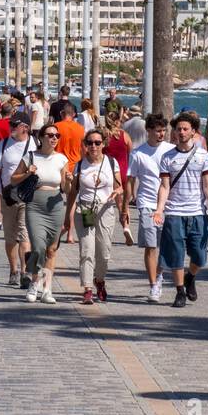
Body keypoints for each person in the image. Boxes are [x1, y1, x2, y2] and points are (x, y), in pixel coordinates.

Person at [153, 112, 208, 309]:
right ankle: (179, 291)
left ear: (193, 132)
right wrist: (159, 210)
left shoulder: (202, 155)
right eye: (178, 129)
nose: (182, 132)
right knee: (176, 254)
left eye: (185, 129)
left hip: (197, 213)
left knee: (199, 256)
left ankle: (190, 276)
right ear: (174, 132)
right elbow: (164, 186)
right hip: (175, 212)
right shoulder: (168, 157)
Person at [12, 123, 72, 304]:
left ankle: (47, 289)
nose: (54, 138)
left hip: (55, 205)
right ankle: (34, 283)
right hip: (35, 204)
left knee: (51, 250)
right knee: (38, 247)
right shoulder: (31, 156)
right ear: (41, 137)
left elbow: (65, 188)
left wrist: (69, 181)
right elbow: (13, 179)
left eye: (57, 136)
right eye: (50, 135)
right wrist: (26, 173)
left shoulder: (61, 159)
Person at [67, 128, 124, 305]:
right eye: (89, 142)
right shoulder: (79, 165)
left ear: (103, 144)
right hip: (85, 210)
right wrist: (66, 218)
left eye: (97, 143)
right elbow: (72, 193)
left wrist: (122, 207)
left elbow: (120, 187)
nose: (93, 146)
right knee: (86, 249)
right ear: (85, 144)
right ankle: (87, 289)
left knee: (104, 252)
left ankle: (99, 280)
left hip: (106, 209)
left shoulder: (111, 163)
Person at [127, 113, 172, 302]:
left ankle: (160, 274)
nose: (161, 134)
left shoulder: (171, 150)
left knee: (167, 247)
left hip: (169, 204)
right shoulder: (138, 153)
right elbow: (131, 179)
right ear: (149, 131)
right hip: (146, 204)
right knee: (151, 246)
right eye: (158, 131)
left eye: (163, 131)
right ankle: (153, 285)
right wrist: (130, 200)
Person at [0, 112, 34, 287]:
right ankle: (13, 269)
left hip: (28, 197)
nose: (10, 128)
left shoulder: (35, 145)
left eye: (14, 125)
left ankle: (25, 272)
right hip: (7, 197)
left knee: (24, 234)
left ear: (25, 127)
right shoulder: (3, 144)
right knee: (10, 237)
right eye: (10, 125)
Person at [53, 102, 84, 173]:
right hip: (75, 166)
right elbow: (83, 149)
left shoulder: (55, 127)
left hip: (59, 165)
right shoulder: (81, 128)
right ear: (74, 114)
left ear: (62, 113)